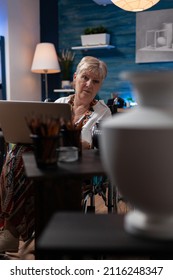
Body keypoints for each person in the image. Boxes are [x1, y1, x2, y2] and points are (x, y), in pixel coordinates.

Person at [0, 56, 111, 253]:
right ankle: (17, 230)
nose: (88, 84)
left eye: (95, 81)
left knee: (27, 167)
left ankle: (13, 230)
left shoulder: (103, 113)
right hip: (47, 162)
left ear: (100, 84)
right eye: (85, 77)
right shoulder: (59, 103)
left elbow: (101, 151)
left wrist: (78, 144)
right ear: (75, 77)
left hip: (77, 171)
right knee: (18, 152)